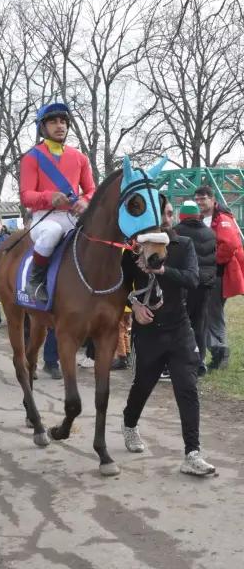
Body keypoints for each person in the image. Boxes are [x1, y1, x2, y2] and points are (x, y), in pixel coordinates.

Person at [121, 197, 215, 476]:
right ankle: (129, 423)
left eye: (171, 213)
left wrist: (162, 270)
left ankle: (192, 453)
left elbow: (192, 279)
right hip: (149, 331)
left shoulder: (182, 245)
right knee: (143, 385)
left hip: (179, 328)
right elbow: (121, 286)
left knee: (187, 387)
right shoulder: (133, 249)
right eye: (164, 213)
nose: (169, 218)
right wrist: (134, 306)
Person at [20, 102, 96, 303]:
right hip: (43, 219)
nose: (60, 125)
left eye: (63, 121)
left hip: (72, 217)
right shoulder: (31, 158)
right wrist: (48, 196)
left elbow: (91, 190)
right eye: (53, 122)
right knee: (52, 231)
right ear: (42, 127)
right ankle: (35, 281)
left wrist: (86, 201)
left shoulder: (80, 158)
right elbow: (26, 196)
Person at [194, 186, 244, 370]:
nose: (200, 202)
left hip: (217, 274)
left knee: (211, 314)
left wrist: (212, 262)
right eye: (197, 199)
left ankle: (220, 351)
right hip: (209, 273)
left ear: (212, 199)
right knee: (209, 313)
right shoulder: (203, 218)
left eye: (203, 199)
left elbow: (231, 244)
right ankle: (218, 351)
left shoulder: (222, 219)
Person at [175, 200, 216, 376]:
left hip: (185, 284)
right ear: (198, 215)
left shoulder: (177, 231)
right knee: (200, 323)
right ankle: (201, 362)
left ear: (182, 215)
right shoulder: (210, 233)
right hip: (205, 284)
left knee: (182, 322)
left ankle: (182, 359)